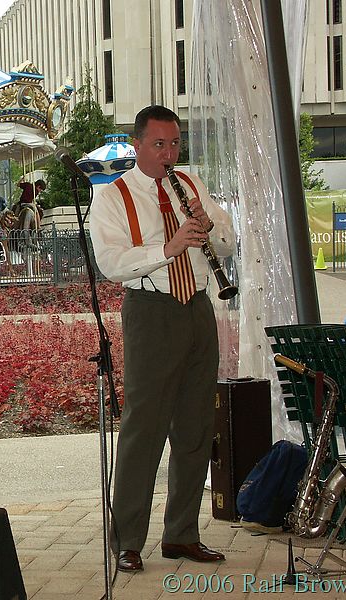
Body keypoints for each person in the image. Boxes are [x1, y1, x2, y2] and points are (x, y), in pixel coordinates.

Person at [89, 105, 235, 572]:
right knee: (143, 431)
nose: (169, 153)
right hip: (151, 310)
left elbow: (229, 241)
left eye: (174, 144)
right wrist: (167, 247)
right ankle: (128, 540)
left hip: (197, 308)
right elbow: (112, 263)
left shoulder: (190, 185)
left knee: (195, 429)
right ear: (137, 145)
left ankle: (182, 535)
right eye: (159, 144)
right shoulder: (113, 196)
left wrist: (210, 227)